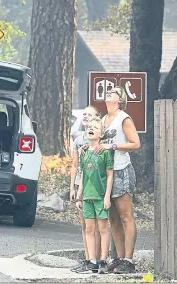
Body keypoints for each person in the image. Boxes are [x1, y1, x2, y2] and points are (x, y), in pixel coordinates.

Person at [83, 86, 141, 274]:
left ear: (120, 99)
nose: (109, 93)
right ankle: (119, 258)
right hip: (105, 172)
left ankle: (129, 260)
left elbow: (136, 144)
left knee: (126, 216)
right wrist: (87, 147)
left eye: (113, 92)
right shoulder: (103, 120)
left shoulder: (124, 119)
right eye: (108, 92)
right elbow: (97, 140)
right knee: (113, 218)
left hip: (121, 170)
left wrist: (113, 146)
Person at [75, 117, 114, 274]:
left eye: (95, 127)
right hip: (87, 197)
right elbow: (83, 174)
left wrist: (107, 197)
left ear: (101, 133)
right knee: (89, 228)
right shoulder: (83, 152)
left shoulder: (105, 153)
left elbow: (110, 175)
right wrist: (79, 195)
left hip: (100, 196)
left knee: (103, 228)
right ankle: (92, 261)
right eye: (88, 127)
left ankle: (103, 260)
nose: (90, 128)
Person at [70, 106, 102, 273]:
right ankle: (88, 258)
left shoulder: (99, 140)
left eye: (89, 115)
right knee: (84, 224)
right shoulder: (78, 140)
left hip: (95, 185)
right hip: (80, 183)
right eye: (84, 115)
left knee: (96, 225)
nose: (85, 117)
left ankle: (96, 259)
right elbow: (75, 165)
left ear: (97, 118)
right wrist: (72, 188)